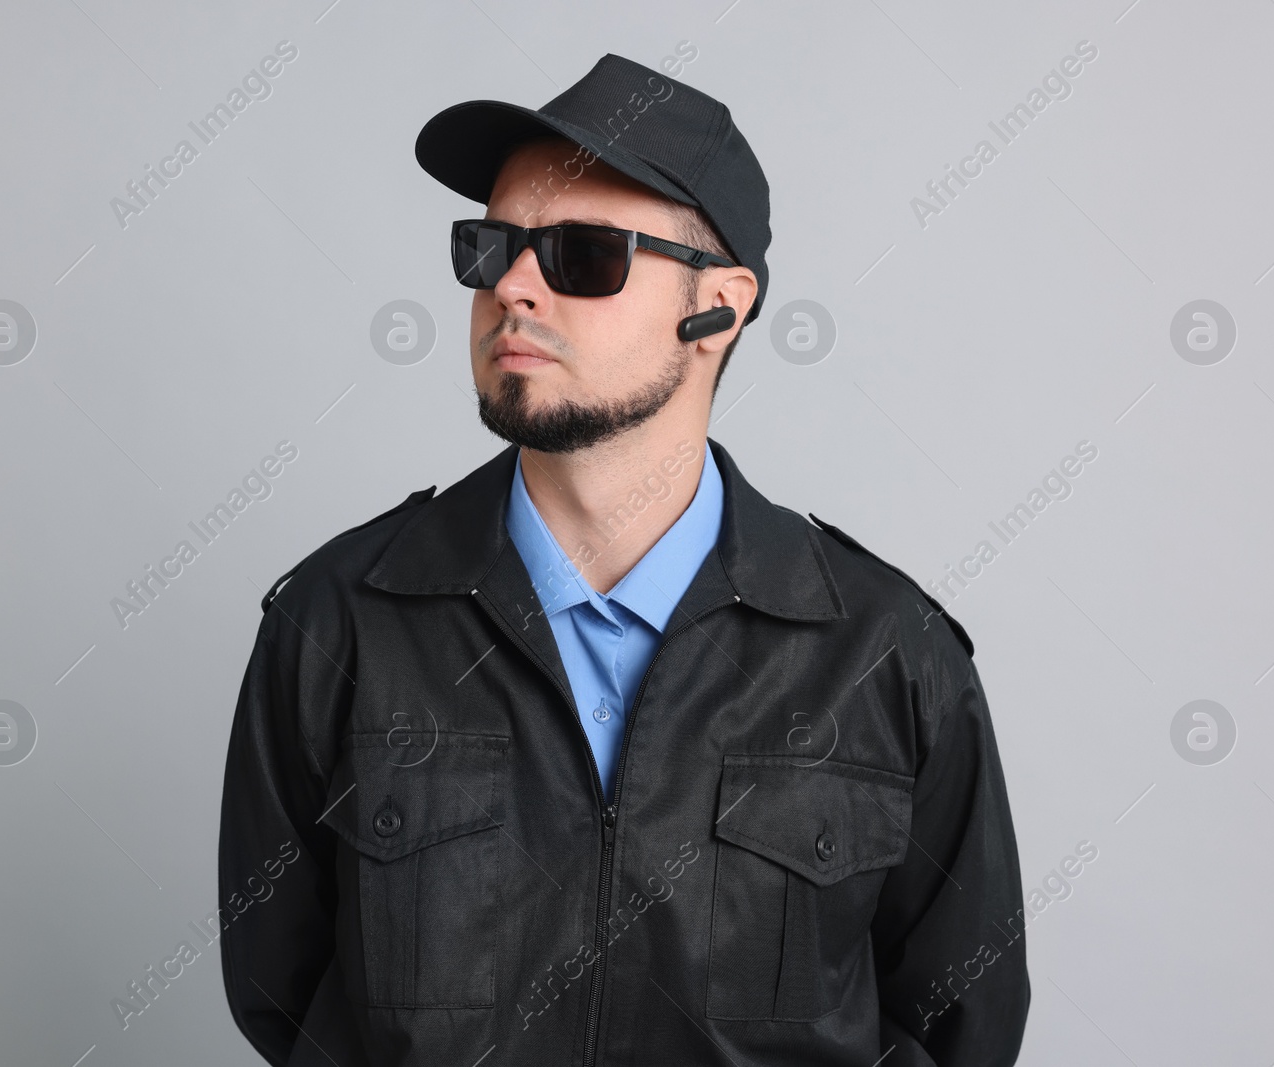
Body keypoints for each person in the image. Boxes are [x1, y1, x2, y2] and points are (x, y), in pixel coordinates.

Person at [218, 52, 1029, 1067]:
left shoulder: (885, 652)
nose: (511, 286)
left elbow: (961, 1018)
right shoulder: (339, 622)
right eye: (491, 247)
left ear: (718, 309)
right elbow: (281, 992)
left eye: (581, 254)